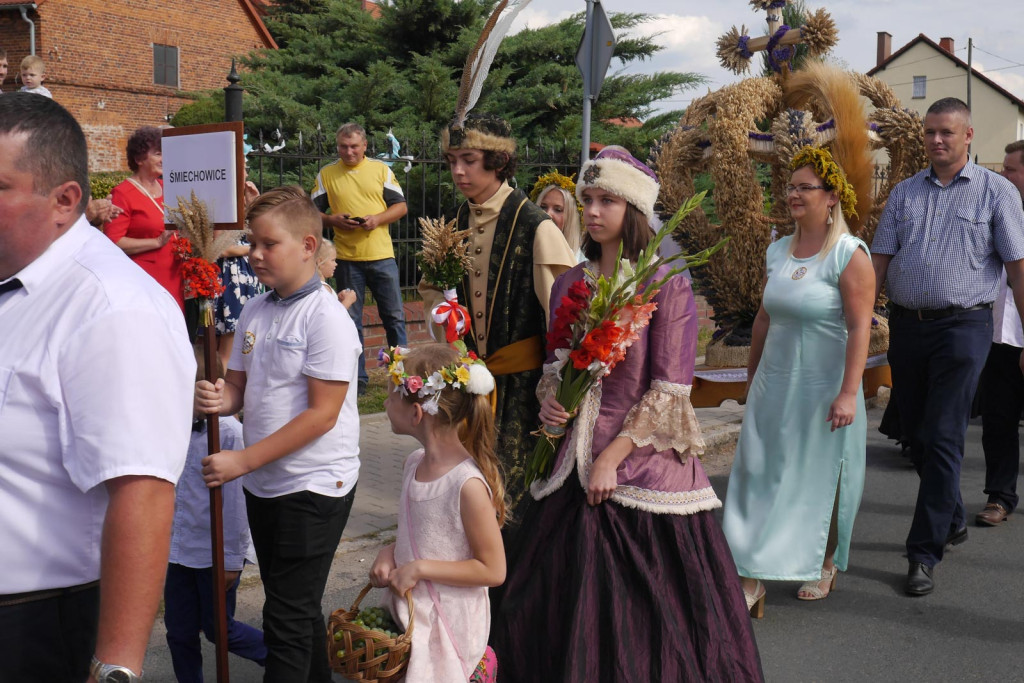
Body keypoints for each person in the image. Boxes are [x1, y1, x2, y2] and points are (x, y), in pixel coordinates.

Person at [493, 147, 763, 682]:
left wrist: (610, 458)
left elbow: (669, 390)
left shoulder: (665, 282)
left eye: (607, 201)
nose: (592, 211)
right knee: (546, 600)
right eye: (587, 199)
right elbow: (555, 365)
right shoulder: (571, 282)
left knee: (647, 616)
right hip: (568, 461)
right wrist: (552, 399)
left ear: (633, 209)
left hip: (638, 463)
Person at [0, 93, 194, 682]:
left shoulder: (113, 308)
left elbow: (143, 491)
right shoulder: (16, 278)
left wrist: (116, 667)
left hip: (33, 626)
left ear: (65, 200)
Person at [194, 185, 362, 681]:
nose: (255, 254)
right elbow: (239, 389)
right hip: (265, 482)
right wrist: (219, 399)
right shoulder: (256, 308)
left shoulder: (326, 318)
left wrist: (241, 460)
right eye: (252, 242)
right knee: (297, 606)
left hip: (313, 484)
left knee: (284, 621)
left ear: (308, 246)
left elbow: (322, 416)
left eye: (269, 244)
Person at [871, 97, 1024, 596]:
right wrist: (856, 323)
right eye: (930, 131)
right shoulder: (903, 193)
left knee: (942, 435)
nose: (937, 140)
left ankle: (923, 552)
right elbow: (878, 261)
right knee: (915, 436)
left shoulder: (996, 192)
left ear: (968, 136)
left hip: (964, 328)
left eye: (947, 132)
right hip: (907, 328)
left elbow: (1018, 270)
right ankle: (952, 515)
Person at [721, 146, 874, 614]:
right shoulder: (777, 251)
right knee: (756, 473)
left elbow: (860, 327)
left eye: (804, 187)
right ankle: (749, 574)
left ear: (832, 196)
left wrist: (848, 393)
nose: (793, 194)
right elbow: (764, 319)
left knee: (818, 478)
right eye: (790, 187)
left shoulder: (848, 254)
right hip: (774, 383)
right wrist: (751, 379)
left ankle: (822, 561)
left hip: (826, 387)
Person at [420, 113, 576, 509]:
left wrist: (560, 390)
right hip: (463, 385)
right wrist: (445, 323)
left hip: (523, 392)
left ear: (498, 161)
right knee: (462, 493)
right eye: (452, 160)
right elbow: (432, 292)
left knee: (514, 499)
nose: (458, 171)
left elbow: (565, 320)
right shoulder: (452, 224)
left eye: (469, 160)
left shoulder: (536, 226)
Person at [370, 343, 505, 682]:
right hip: (413, 616)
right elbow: (424, 535)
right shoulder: (413, 464)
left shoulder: (466, 484)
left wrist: (420, 568)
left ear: (417, 413)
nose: (384, 404)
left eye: (391, 398)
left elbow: (493, 569)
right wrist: (390, 552)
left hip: (448, 625)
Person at [165, 349, 267, 682]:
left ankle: (284, 658)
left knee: (220, 630)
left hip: (213, 555)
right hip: (178, 553)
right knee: (179, 631)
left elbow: (237, 506)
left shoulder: (228, 435)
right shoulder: (175, 428)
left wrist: (232, 560)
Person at [311, 122, 408, 394]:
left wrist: (377, 219)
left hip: (381, 255)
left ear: (365, 145)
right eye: (343, 146)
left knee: (394, 317)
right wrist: (332, 220)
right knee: (350, 320)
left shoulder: (381, 170)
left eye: (354, 146)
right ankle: (358, 380)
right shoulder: (326, 174)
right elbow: (310, 212)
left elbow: (401, 206)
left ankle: (402, 375)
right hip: (346, 258)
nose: (349, 151)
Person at [975, 139, 1024, 527]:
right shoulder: (994, 210)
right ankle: (1000, 497)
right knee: (998, 419)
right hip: (998, 334)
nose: (1002, 174)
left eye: (1010, 169)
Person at [104, 126, 185, 311]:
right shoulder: (122, 194)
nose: (164, 159)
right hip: (145, 279)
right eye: (157, 154)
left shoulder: (169, 187)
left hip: (175, 276)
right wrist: (156, 242)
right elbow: (113, 242)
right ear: (139, 158)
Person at [530, 171, 584, 260]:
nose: (547, 214)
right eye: (543, 207)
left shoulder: (585, 263)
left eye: (558, 210)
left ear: (571, 218)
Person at [315, 239, 357, 307]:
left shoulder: (313, 284)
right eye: (333, 260)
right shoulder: (323, 288)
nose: (336, 264)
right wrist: (348, 301)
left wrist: (337, 300)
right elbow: (332, 313)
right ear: (320, 262)